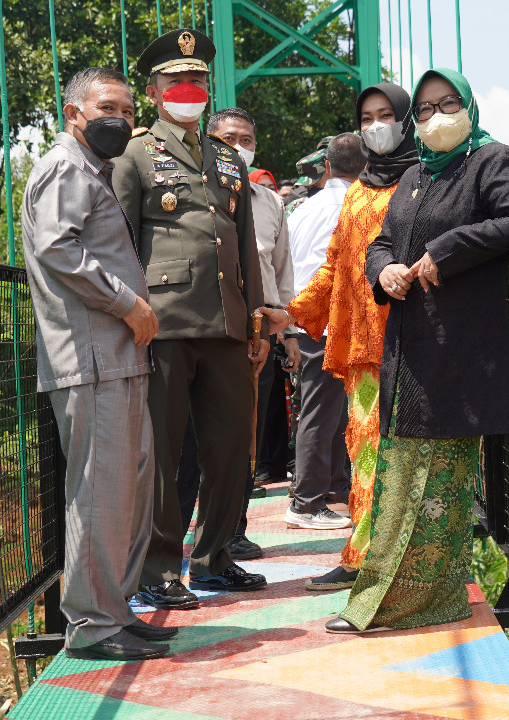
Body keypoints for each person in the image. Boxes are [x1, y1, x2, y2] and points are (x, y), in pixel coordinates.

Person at [336, 68, 509, 633]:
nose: (434, 117)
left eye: (445, 104)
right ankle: (401, 598)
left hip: (458, 352)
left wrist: (445, 250)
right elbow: (380, 243)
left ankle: (410, 603)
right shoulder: (415, 176)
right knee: (402, 480)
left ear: (468, 105)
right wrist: (387, 273)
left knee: (436, 485)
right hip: (409, 352)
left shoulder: (492, 160)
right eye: (423, 111)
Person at [112, 29, 271, 611]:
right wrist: (130, 315)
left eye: (198, 79)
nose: (189, 89)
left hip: (228, 324)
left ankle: (214, 558)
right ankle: (158, 569)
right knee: (160, 452)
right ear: (154, 92)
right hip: (165, 324)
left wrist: (254, 319)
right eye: (176, 81)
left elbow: (245, 244)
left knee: (232, 448)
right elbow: (121, 242)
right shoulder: (133, 155)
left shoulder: (227, 157)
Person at [21, 66, 177, 661]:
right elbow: (55, 246)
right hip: (92, 358)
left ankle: (115, 612)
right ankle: (91, 625)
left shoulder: (93, 170)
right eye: (107, 107)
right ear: (74, 114)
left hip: (118, 357)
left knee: (127, 494)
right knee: (98, 494)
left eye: (129, 110)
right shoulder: (66, 166)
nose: (121, 118)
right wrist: (127, 302)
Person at [259, 81, 417, 590]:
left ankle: (409, 564)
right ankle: (363, 559)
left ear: (406, 118)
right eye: (367, 117)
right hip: (365, 352)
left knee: (415, 457)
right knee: (367, 453)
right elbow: (333, 268)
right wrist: (292, 313)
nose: (377, 125)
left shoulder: (425, 182)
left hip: (417, 348)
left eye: (386, 114)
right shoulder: (358, 195)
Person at [206, 106, 301, 559]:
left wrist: (290, 331)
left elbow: (282, 272)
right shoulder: (195, 193)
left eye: (245, 139)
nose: (237, 148)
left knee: (244, 436)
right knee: (196, 438)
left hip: (256, 335)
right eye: (227, 139)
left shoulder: (270, 204)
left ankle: (232, 530)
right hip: (200, 331)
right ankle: (194, 534)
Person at [276, 132, 367, 531]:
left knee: (324, 407)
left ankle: (330, 486)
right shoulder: (357, 205)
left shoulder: (302, 209)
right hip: (333, 320)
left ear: (326, 166)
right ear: (366, 168)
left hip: (304, 317)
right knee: (322, 410)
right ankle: (306, 502)